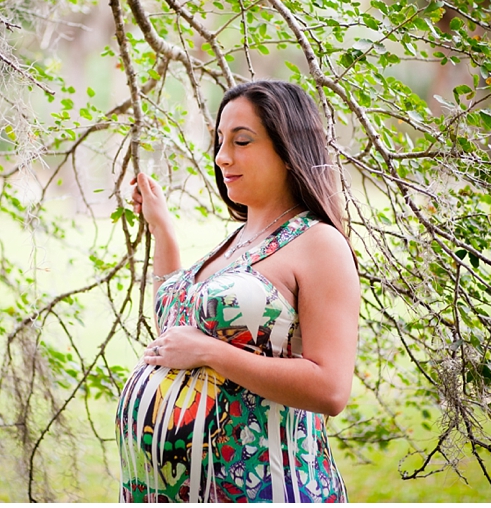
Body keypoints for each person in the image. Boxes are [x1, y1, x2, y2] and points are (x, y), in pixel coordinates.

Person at [115, 80, 360, 503]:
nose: (222, 156)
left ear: (288, 151)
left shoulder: (319, 243)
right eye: (220, 140)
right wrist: (163, 232)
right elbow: (176, 335)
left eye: (241, 141)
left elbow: (330, 388)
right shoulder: (235, 243)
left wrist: (211, 353)